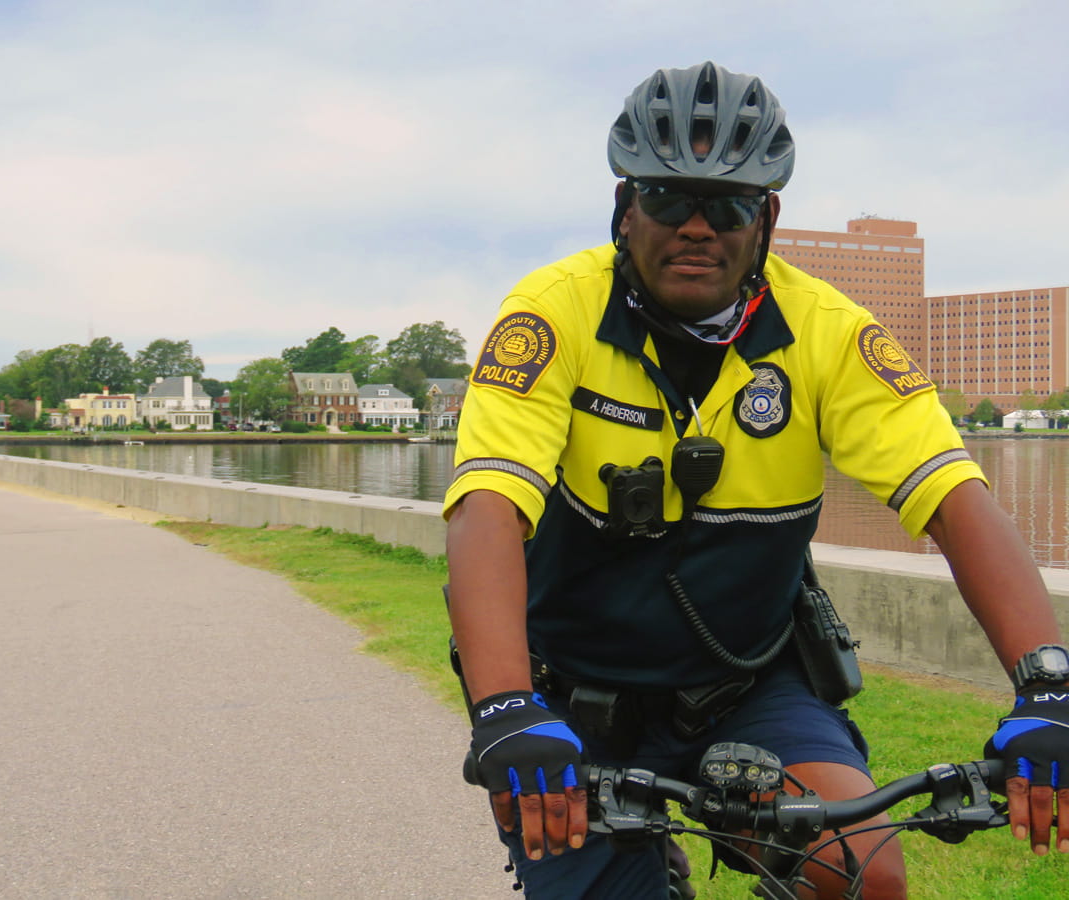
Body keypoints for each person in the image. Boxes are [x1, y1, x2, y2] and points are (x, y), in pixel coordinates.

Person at [443, 61, 1069, 899]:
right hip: (574, 704)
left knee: (862, 873)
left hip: (746, 691)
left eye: (729, 204)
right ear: (625, 209)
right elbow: (486, 507)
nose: (696, 227)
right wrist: (506, 709)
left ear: (767, 217)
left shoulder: (826, 332)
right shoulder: (552, 313)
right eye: (667, 198)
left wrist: (1049, 683)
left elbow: (955, 500)